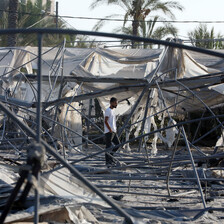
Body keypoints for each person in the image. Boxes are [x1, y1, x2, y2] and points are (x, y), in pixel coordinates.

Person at [104, 97, 120, 167]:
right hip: (109, 132)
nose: (116, 104)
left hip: (113, 131)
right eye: (115, 103)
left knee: (118, 144)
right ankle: (108, 162)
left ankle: (111, 157)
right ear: (112, 103)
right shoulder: (108, 110)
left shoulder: (113, 111)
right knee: (108, 147)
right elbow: (105, 121)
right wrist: (109, 129)